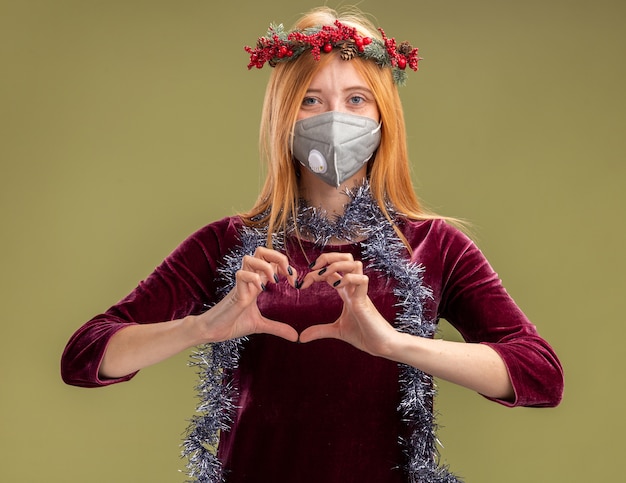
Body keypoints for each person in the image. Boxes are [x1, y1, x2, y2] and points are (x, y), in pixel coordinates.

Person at [61, 6, 563, 482]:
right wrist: (203, 326)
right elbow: (86, 356)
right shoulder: (229, 243)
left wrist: (392, 344)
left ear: (383, 116)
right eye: (311, 99)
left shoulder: (435, 245)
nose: (335, 117)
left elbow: (540, 376)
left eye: (356, 99)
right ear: (284, 115)